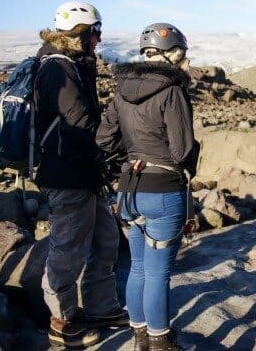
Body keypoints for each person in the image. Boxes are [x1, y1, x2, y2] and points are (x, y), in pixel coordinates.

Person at [96, 23, 198, 351]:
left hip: (128, 191)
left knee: (138, 267)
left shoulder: (122, 88)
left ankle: (139, 335)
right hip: (163, 192)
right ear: (174, 53)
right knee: (157, 273)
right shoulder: (172, 89)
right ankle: (159, 341)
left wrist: (127, 162)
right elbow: (182, 150)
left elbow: (103, 139)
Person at [34, 1, 128, 348]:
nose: (99, 39)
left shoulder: (73, 65)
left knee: (105, 240)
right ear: (81, 33)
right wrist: (113, 138)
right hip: (67, 173)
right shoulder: (58, 70)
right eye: (95, 32)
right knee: (69, 248)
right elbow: (79, 123)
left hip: (85, 172)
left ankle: (101, 307)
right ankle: (61, 320)